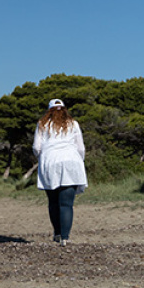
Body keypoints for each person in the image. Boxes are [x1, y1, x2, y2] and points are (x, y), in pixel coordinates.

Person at [32, 99, 88, 246]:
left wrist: (43, 158)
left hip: (50, 161)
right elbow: (80, 147)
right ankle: (65, 237)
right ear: (64, 109)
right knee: (67, 204)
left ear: (49, 110)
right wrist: (79, 161)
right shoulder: (73, 124)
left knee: (53, 202)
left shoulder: (42, 124)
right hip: (71, 161)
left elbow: (37, 147)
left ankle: (57, 233)